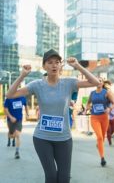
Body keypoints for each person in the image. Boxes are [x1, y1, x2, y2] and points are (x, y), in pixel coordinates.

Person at [6, 49, 99, 183]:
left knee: (64, 179)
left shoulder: (69, 83)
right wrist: (22, 76)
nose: (54, 65)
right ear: (44, 66)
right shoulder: (37, 85)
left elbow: (95, 82)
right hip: (42, 138)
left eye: (57, 62)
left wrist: (78, 66)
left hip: (64, 138)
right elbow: (10, 95)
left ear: (61, 66)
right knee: (51, 177)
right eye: (50, 62)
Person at [86, 78, 114, 167]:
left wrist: (109, 108)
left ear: (102, 83)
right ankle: (102, 158)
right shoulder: (92, 93)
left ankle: (99, 144)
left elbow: (113, 103)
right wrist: (88, 108)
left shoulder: (106, 92)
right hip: (94, 118)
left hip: (104, 118)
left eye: (100, 81)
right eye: (97, 81)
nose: (99, 82)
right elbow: (88, 103)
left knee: (102, 138)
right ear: (95, 83)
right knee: (99, 137)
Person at [104, 81, 114, 146]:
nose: (108, 86)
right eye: (106, 84)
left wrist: (110, 108)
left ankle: (108, 136)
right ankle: (109, 140)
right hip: (105, 114)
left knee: (112, 130)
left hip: (112, 113)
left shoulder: (111, 92)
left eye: (109, 84)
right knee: (108, 130)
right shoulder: (102, 93)